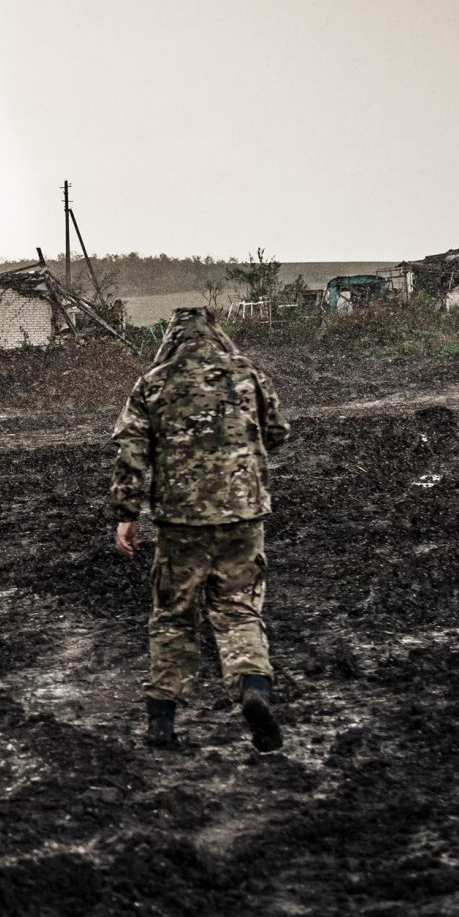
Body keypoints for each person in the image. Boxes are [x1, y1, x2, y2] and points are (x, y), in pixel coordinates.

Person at [109, 306, 290, 751]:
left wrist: (126, 513)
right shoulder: (248, 375)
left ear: (170, 339)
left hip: (180, 521)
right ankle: (252, 687)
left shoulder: (152, 383)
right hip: (243, 517)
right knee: (238, 608)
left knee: (173, 615)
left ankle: (162, 722)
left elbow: (131, 452)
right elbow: (277, 433)